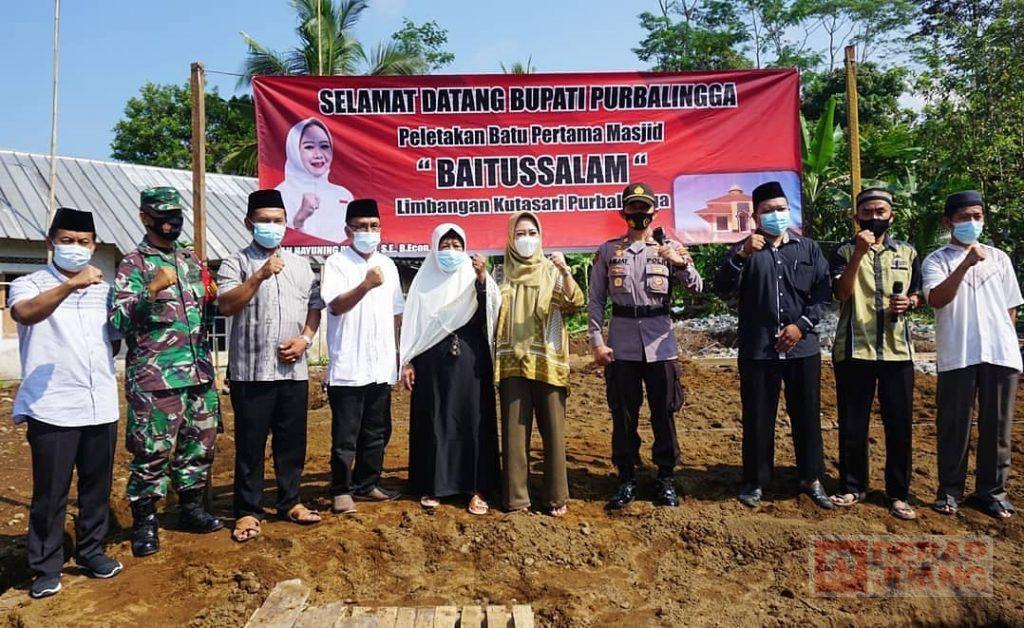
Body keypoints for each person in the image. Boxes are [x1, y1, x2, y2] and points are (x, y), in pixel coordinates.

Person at [10, 208, 123, 599]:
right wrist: (70, 286)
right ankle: (45, 566)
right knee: (51, 492)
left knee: (96, 487)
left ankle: (92, 551)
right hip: (52, 406)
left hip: (100, 403)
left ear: (94, 245)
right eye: (67, 241)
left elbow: (114, 340)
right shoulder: (28, 284)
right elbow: (26, 314)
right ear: (51, 243)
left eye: (84, 242)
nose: (76, 248)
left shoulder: (105, 291)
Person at [110, 186, 223, 558]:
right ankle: (145, 522)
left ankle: (190, 509)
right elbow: (117, 320)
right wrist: (152, 289)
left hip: (198, 373)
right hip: (156, 377)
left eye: (176, 216)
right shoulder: (134, 264)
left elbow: (207, 313)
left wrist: (214, 295)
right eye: (163, 216)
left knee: (199, 444)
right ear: (145, 217)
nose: (172, 222)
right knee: (152, 450)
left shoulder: (190, 261)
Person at [714, 181, 833, 510]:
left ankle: (811, 477)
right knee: (758, 417)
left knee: (807, 415)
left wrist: (801, 326)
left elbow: (823, 294)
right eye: (768, 211)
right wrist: (741, 256)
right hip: (759, 350)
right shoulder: (743, 251)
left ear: (789, 211)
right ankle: (755, 481)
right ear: (755, 217)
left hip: (802, 348)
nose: (776, 215)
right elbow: (721, 288)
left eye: (781, 209)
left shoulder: (808, 249)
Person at [217, 189, 324, 542]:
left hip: (293, 370)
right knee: (250, 444)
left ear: (286, 223)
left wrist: (305, 339)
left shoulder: (301, 265)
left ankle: (290, 501)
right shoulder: (235, 262)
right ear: (249, 223)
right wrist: (259, 276)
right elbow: (226, 305)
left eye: (277, 220)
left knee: (292, 442)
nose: (271, 226)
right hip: (251, 372)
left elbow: (314, 307)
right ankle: (248, 511)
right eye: (264, 221)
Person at [589, 182, 703, 509]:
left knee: (664, 412)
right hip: (621, 345)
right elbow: (596, 300)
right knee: (624, 414)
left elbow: (697, 287)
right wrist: (597, 341)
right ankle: (626, 477)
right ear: (623, 212)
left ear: (655, 211)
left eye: (644, 207)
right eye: (633, 207)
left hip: (660, 343)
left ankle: (665, 477)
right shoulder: (609, 251)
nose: (639, 213)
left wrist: (679, 263)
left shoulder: (670, 247)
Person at [923, 190, 1021, 519]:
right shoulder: (936, 260)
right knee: (954, 425)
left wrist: (1004, 340)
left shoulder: (999, 258)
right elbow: (936, 299)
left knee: (998, 426)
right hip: (958, 353)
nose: (972, 223)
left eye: (977, 217)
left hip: (999, 354)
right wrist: (965, 264)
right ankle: (949, 491)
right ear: (948, 222)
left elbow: (1011, 307)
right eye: (964, 217)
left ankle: (992, 492)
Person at [829, 187, 922, 520]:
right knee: (853, 423)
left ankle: (898, 493)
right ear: (856, 216)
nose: (874, 217)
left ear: (891, 216)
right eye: (867, 212)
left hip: (897, 351)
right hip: (855, 349)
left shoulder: (908, 253)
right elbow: (841, 293)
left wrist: (910, 302)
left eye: (880, 211)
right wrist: (858, 253)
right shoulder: (842, 251)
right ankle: (852, 486)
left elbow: (918, 294)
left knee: (899, 424)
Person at [399, 223, 501, 514]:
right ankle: (433, 485)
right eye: (445, 246)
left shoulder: (475, 276)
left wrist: (482, 278)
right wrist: (407, 360)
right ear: (434, 248)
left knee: (473, 420)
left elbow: (492, 313)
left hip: (471, 362)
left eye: (457, 246)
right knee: (434, 420)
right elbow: (412, 324)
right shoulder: (423, 282)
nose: (451, 251)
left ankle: (476, 488)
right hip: (430, 363)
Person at [494, 211, 585, 517]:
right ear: (510, 238)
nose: (527, 239)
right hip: (511, 363)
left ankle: (555, 496)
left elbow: (574, 302)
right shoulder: (500, 274)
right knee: (514, 434)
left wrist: (566, 272)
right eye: (520, 234)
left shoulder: (552, 270)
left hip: (548, 361)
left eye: (532, 233)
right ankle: (516, 498)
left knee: (554, 433)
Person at [320, 198, 404, 514]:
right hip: (349, 365)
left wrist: (399, 354)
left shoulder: (388, 265)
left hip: (381, 363)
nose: (369, 232)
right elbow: (336, 305)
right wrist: (366, 285)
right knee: (346, 434)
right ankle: (341, 489)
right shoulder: (336, 263)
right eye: (362, 227)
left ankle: (367, 483)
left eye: (374, 226)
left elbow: (396, 314)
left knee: (377, 430)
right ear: (348, 231)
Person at [275, 117, 354, 242]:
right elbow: (274, 242)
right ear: (294, 150)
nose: (318, 155)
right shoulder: (279, 196)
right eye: (309, 147)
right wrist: (299, 220)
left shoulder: (344, 195)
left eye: (324, 146)